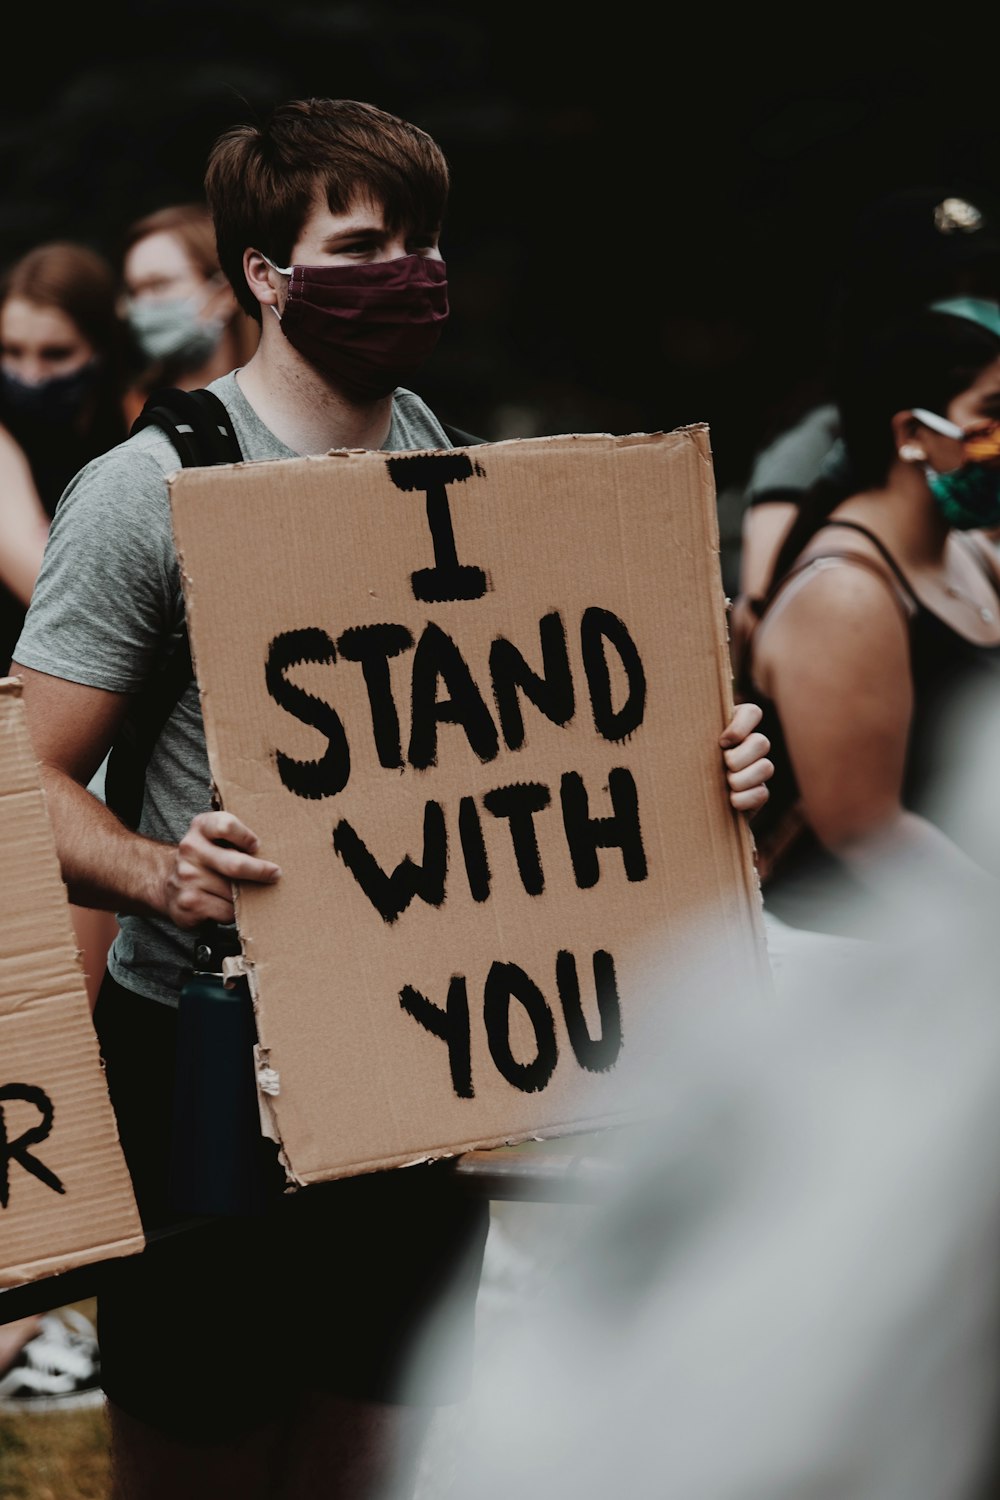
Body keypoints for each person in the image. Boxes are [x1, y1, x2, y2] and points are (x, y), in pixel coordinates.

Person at [9, 97, 772, 1500]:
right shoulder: (149, 491)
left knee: (373, 1447)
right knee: (205, 1458)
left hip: (413, 1063)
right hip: (204, 1072)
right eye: (366, 244)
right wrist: (155, 872)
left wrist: (703, 780)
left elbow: (545, 746)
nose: (410, 271)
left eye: (424, 241)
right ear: (264, 276)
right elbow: (24, 775)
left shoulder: (453, 469)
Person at [736, 306, 1000, 940]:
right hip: (859, 960)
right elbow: (867, 830)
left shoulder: (968, 550)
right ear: (912, 431)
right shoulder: (846, 597)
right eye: (992, 412)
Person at [734, 183, 1000, 626]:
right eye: (939, 289)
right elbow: (770, 616)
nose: (967, 305)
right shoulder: (813, 450)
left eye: (984, 285)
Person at [119, 201, 259, 422]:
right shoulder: (132, 411)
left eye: (159, 285)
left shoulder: (276, 399)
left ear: (224, 293)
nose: (142, 305)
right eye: (134, 292)